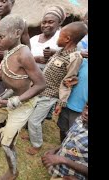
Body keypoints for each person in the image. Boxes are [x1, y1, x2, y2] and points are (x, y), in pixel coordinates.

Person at [0, 15, 46, 179]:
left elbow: (41, 84)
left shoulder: (24, 54)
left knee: (8, 142)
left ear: (17, 33)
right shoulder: (8, 50)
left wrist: (17, 101)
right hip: (9, 93)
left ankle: (13, 171)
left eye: (1, 36)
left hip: (22, 102)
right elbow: (6, 70)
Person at [25, 21, 88, 155]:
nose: (57, 38)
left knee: (34, 120)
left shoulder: (74, 57)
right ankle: (32, 135)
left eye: (59, 35)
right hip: (40, 90)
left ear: (67, 39)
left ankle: (37, 144)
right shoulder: (60, 52)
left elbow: (68, 81)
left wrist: (61, 102)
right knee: (32, 116)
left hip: (49, 96)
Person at [0, 0, 31, 146]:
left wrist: (7, 56)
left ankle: (7, 136)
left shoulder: (21, 24)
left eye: (4, 1)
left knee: (3, 106)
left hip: (10, 77)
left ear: (12, 2)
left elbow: (27, 48)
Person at [56, 11, 88, 142]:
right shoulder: (81, 42)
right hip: (69, 97)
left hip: (83, 104)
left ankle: (68, 153)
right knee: (63, 127)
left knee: (76, 132)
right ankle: (62, 148)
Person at [42, 103, 88, 180]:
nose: (86, 113)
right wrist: (55, 150)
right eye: (86, 108)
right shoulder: (80, 120)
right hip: (61, 172)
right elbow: (69, 140)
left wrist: (63, 160)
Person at [30, 6, 65, 70]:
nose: (46, 25)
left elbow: (71, 57)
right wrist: (35, 59)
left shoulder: (63, 38)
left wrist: (54, 53)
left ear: (59, 23)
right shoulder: (33, 39)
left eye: (50, 22)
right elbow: (23, 57)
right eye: (43, 22)